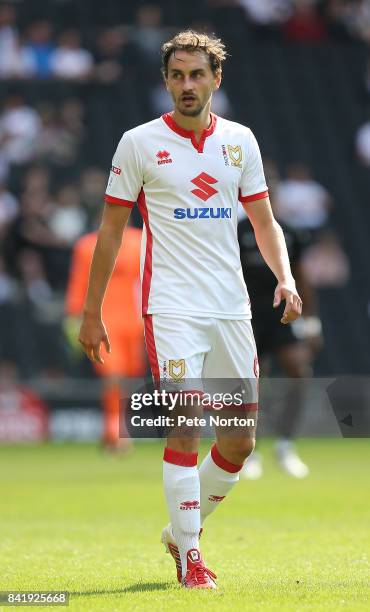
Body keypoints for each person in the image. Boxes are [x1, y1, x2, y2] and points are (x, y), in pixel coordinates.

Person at [78, 30, 302, 589]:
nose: (186, 85)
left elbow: (263, 220)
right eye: (177, 75)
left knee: (239, 442)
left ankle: (182, 528)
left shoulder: (240, 142)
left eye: (196, 74)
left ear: (215, 79)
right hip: (170, 307)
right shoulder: (138, 143)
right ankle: (191, 556)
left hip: (230, 308)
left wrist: (286, 278)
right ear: (165, 80)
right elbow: (110, 232)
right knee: (183, 422)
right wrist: (91, 310)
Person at [238, 164, 322, 479]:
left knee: (299, 372)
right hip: (247, 316)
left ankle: (285, 445)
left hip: (283, 314)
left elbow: (302, 277)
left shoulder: (289, 232)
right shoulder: (237, 232)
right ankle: (249, 451)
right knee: (252, 383)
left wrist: (313, 323)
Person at [66, 223, 144, 450]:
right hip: (102, 320)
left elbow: (149, 279)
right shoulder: (87, 245)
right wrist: (74, 316)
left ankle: (118, 427)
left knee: (130, 375)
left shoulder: (141, 241)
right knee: (113, 373)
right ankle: (115, 431)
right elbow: (79, 281)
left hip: (135, 321)